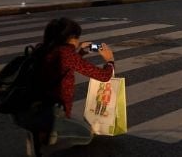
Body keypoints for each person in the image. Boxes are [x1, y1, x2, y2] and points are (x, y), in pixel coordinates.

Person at [15, 17, 115, 156]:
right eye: (77, 38)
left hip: (29, 109)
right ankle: (46, 144)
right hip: (51, 112)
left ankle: (42, 134)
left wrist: (80, 53)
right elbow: (104, 76)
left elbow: (62, 67)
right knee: (86, 135)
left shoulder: (42, 49)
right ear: (71, 38)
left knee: (83, 127)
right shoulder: (66, 54)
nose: (78, 41)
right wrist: (110, 61)